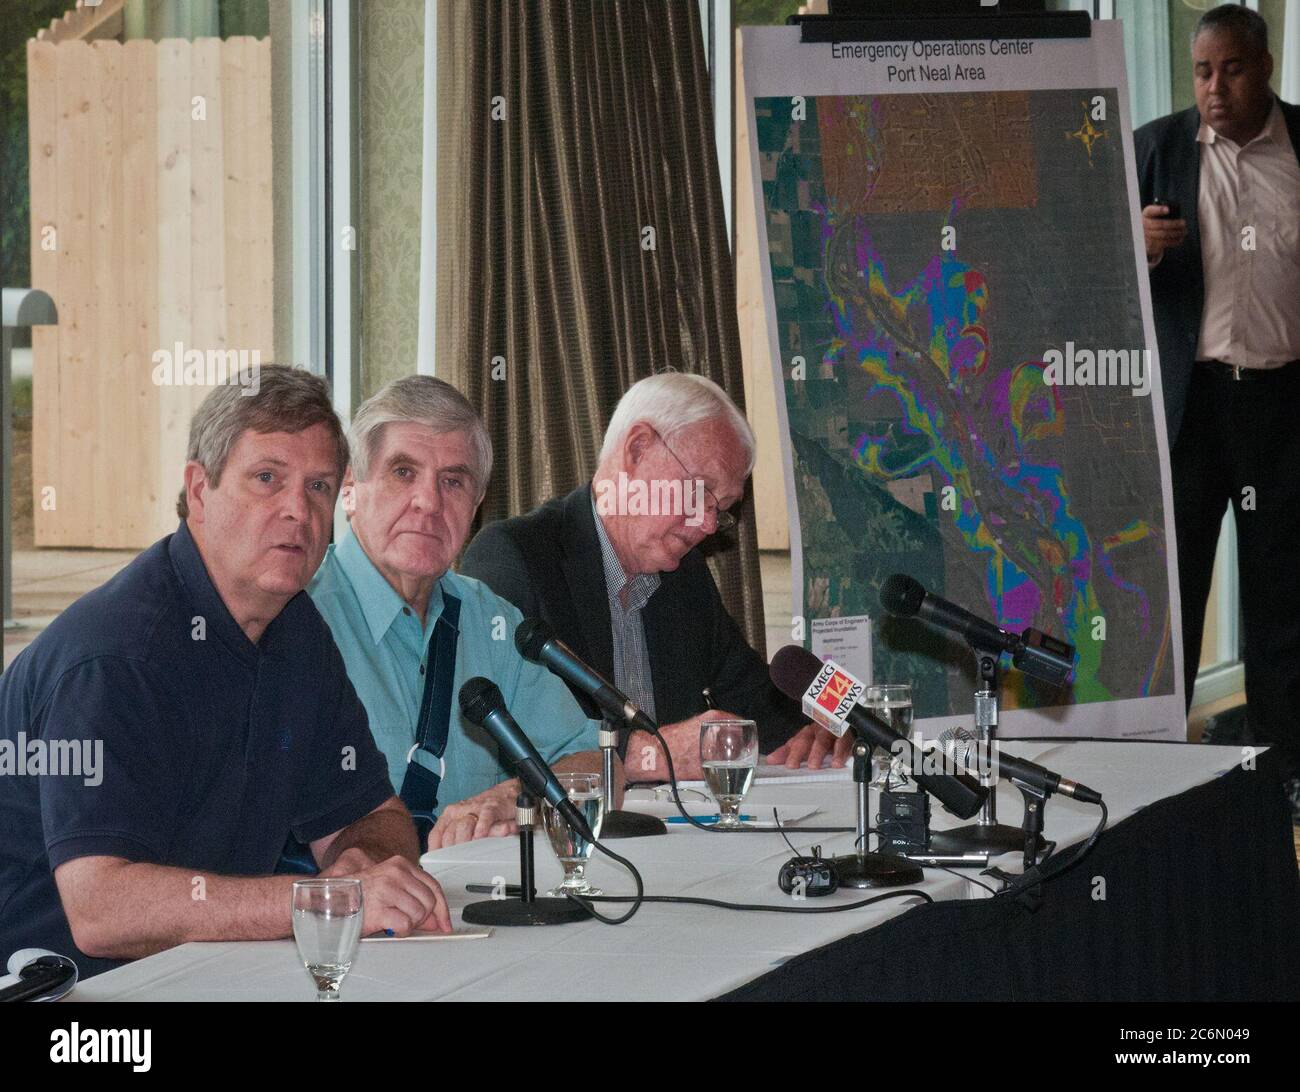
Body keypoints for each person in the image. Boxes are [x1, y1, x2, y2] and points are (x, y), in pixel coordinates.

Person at [0, 366, 451, 979]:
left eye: (318, 486)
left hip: (205, 975)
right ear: (199, 490)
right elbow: (101, 910)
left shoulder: (296, 631)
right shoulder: (115, 657)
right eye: (267, 479)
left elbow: (375, 815)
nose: (298, 510)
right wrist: (315, 903)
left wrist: (359, 865)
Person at [461, 372, 851, 781]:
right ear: (638, 449)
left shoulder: (686, 578)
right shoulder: (516, 558)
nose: (706, 526)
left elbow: (758, 703)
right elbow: (503, 738)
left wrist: (819, 726)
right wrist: (656, 752)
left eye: (721, 509)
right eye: (700, 491)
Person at [308, 376, 606, 849]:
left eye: (453, 481)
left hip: (477, 908)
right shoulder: (294, 618)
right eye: (403, 472)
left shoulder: (494, 622)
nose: (428, 502)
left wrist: (513, 795)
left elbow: (594, 762)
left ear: (476, 507)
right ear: (350, 487)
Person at [1135, 4, 1300, 818]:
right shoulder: (1156, 149)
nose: (1214, 88)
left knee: (1282, 601)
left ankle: (1282, 778)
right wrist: (1134, 244)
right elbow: (1080, 277)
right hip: (1191, 410)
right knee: (1174, 597)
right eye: (1202, 72)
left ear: (1264, 67)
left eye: (1231, 70)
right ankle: (1162, 780)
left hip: (1281, 408)